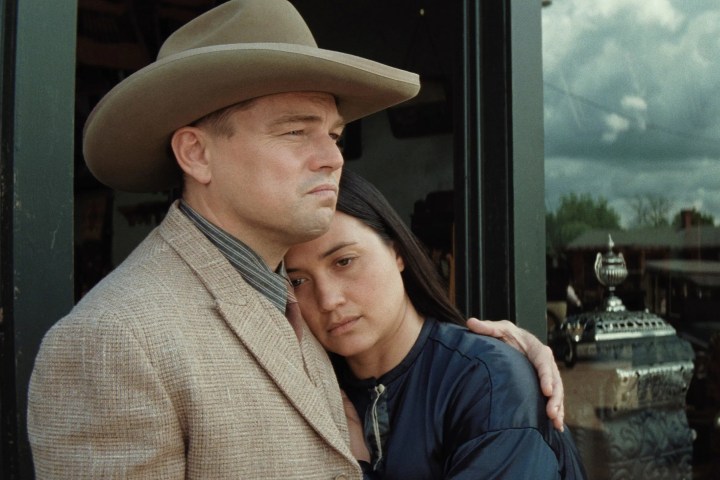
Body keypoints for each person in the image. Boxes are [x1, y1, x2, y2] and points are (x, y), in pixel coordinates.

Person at [27, 1, 563, 478]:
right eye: (295, 131)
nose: (332, 158)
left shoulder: (297, 306)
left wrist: (502, 365)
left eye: (333, 135)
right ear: (196, 153)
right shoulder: (112, 340)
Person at [285, 170, 587, 479]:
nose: (327, 299)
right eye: (297, 280)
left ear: (397, 252)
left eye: (344, 261)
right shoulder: (309, 394)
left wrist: (356, 470)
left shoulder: (489, 381)